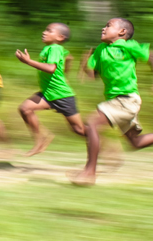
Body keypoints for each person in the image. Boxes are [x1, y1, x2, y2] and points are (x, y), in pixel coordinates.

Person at [71, 18, 153, 185]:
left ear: (122, 32)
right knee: (135, 143)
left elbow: (150, 56)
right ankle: (89, 171)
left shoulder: (129, 46)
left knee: (92, 124)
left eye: (108, 25)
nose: (103, 28)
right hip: (117, 101)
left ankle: (89, 172)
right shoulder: (100, 50)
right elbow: (94, 74)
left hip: (127, 99)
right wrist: (85, 66)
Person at [15, 23, 85, 157]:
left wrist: (28, 62)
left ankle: (99, 141)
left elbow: (51, 68)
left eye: (49, 30)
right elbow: (68, 57)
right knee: (25, 108)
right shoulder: (51, 49)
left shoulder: (54, 48)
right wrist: (66, 70)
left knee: (79, 130)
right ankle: (42, 138)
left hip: (62, 95)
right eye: (45, 29)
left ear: (60, 37)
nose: (44, 32)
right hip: (48, 94)